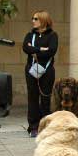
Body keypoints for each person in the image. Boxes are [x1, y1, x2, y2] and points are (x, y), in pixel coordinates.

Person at [22, 10, 58, 138]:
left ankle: (45, 125)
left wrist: (34, 50)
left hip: (47, 71)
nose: (33, 21)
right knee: (32, 97)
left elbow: (52, 51)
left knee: (45, 98)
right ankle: (33, 126)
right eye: (33, 18)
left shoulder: (52, 35)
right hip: (32, 70)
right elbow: (25, 48)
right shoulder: (30, 35)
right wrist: (40, 49)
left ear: (43, 21)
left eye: (36, 19)